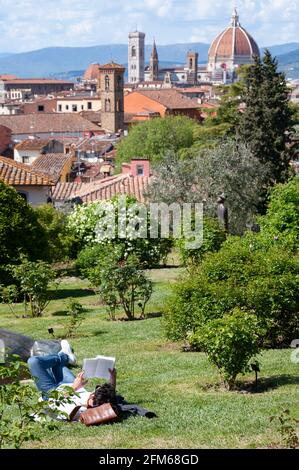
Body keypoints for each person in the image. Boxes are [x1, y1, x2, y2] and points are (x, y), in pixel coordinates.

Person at [27, 340, 117, 421]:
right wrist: (113, 377)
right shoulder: (102, 400)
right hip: (70, 384)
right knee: (55, 364)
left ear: (93, 397)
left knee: (34, 362)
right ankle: (65, 357)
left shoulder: (78, 410)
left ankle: (64, 356)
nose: (93, 391)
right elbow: (111, 394)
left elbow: (53, 400)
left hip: (52, 393)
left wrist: (74, 387)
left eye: (95, 390)